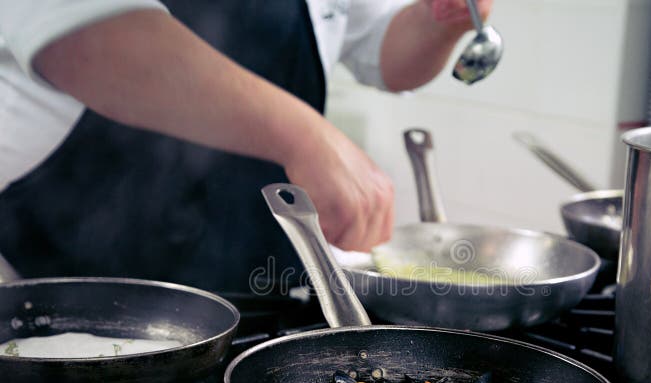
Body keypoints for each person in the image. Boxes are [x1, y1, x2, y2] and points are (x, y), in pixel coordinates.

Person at [0, 0, 492, 296]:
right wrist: (305, 135)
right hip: (54, 303)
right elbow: (89, 37)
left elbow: (383, 52)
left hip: (262, 291)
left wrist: (440, 21)